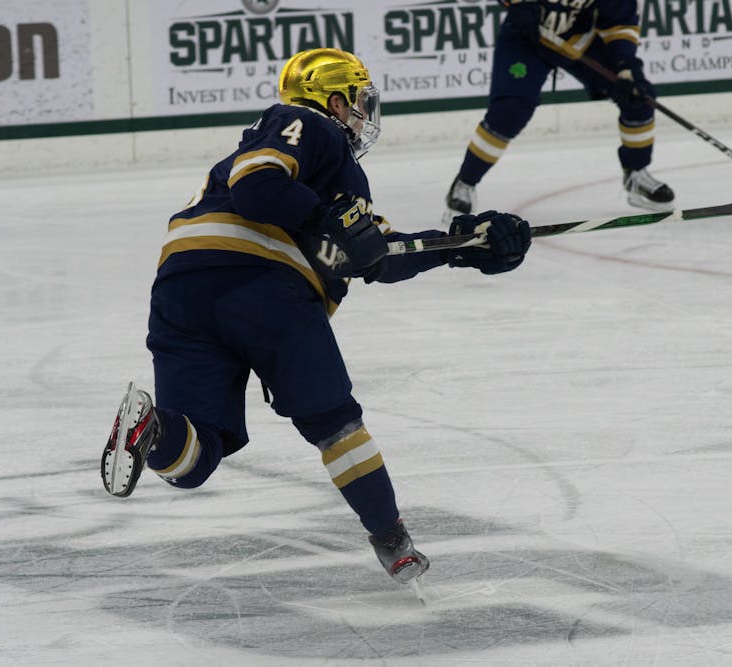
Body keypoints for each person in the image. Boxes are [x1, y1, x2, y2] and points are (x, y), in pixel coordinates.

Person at [99, 48, 531, 586]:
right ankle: (391, 539)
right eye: (357, 102)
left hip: (182, 291)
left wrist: (467, 245)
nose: (362, 114)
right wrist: (322, 220)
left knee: (193, 458)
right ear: (333, 99)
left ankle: (150, 429)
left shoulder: (330, 177)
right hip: (264, 289)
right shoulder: (305, 124)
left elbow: (377, 254)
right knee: (334, 423)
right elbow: (257, 187)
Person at [444, 0, 674, 222]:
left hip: (578, 39)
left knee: (638, 95)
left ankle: (636, 174)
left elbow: (620, 19)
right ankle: (465, 181)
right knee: (510, 111)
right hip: (526, 37)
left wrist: (625, 65)